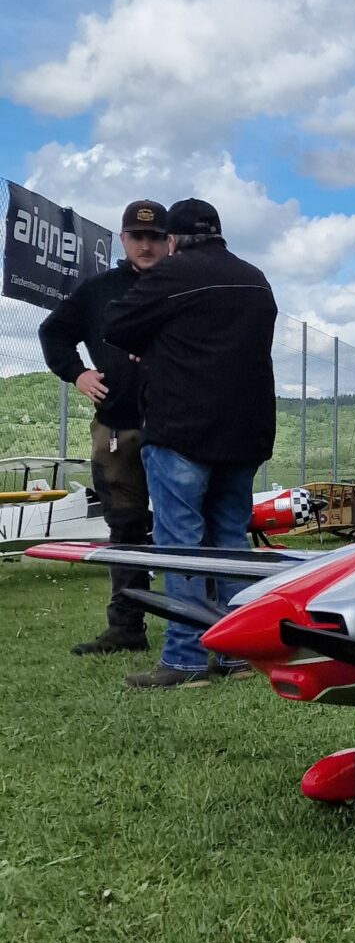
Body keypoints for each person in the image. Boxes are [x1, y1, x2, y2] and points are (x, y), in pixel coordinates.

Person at [105, 198, 278, 691]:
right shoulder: (256, 279)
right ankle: (237, 653)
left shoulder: (172, 273)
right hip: (244, 431)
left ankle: (184, 659)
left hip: (182, 427)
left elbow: (116, 324)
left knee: (180, 544)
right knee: (230, 542)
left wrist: (154, 341)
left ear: (173, 239)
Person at [38, 198, 170, 655]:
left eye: (155, 237)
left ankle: (200, 630)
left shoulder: (184, 285)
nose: (146, 245)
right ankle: (126, 627)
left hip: (179, 429)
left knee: (187, 530)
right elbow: (53, 332)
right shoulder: (98, 290)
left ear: (169, 240)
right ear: (123, 239)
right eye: (138, 236)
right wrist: (77, 373)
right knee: (126, 527)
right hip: (117, 428)